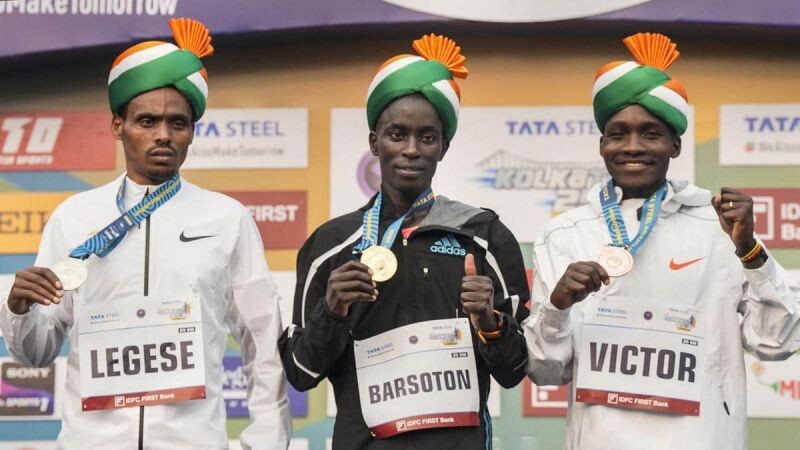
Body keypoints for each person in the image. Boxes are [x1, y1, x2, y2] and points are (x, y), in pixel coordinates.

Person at [0, 18, 291, 449]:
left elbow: (263, 341)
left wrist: (266, 440)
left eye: (178, 123)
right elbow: (35, 353)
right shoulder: (74, 217)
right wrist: (19, 311)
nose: (163, 136)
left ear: (193, 132)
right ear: (118, 125)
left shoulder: (227, 219)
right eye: (147, 121)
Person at [523, 32, 800, 450]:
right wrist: (557, 307)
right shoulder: (565, 235)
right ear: (602, 144)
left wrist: (751, 253)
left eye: (651, 134)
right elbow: (546, 371)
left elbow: (777, 342)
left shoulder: (719, 229)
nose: (633, 147)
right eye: (618, 134)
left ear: (676, 145)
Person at [278, 34, 530, 449]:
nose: (411, 150)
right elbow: (301, 373)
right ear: (374, 142)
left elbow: (514, 370)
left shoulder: (484, 235)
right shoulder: (331, 245)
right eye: (397, 134)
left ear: (443, 147)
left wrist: (490, 324)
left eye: (426, 137)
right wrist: (333, 311)